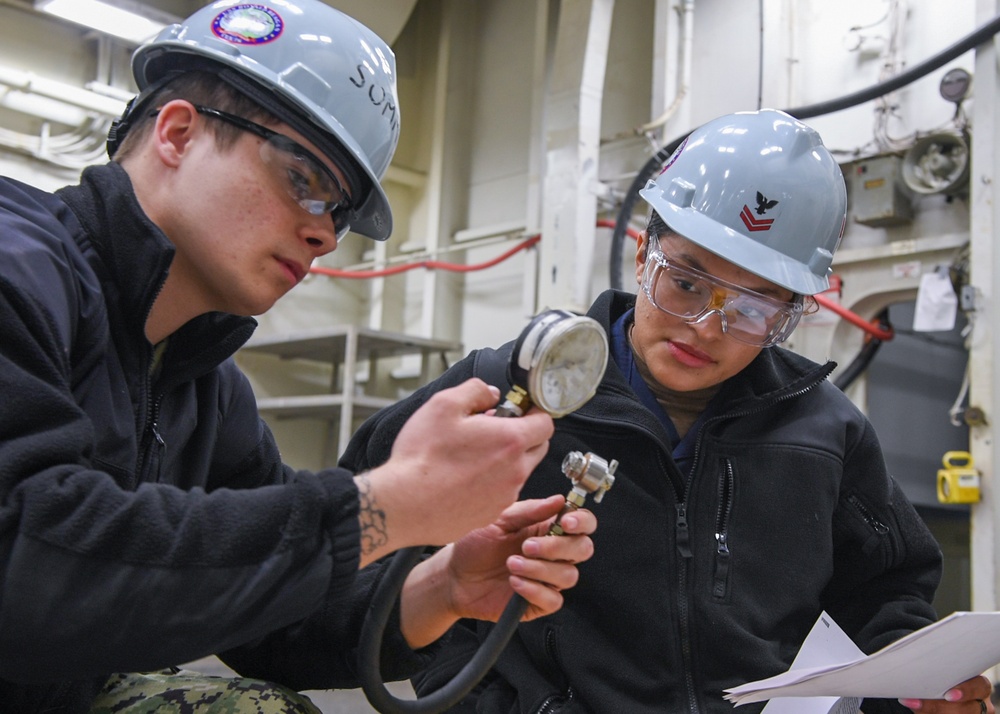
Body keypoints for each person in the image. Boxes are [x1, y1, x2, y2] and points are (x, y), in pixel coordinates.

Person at [0, 2, 598, 712]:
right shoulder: (18, 268)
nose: (324, 234)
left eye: (340, 211)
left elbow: (265, 614)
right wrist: (384, 504)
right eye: (304, 179)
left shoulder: (205, 385)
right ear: (179, 132)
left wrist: (443, 587)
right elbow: (27, 570)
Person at [341, 108, 994, 714]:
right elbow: (360, 553)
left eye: (753, 308)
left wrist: (914, 692)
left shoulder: (829, 431)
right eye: (684, 283)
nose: (705, 328)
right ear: (641, 255)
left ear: (793, 312)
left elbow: (885, 594)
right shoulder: (503, 392)